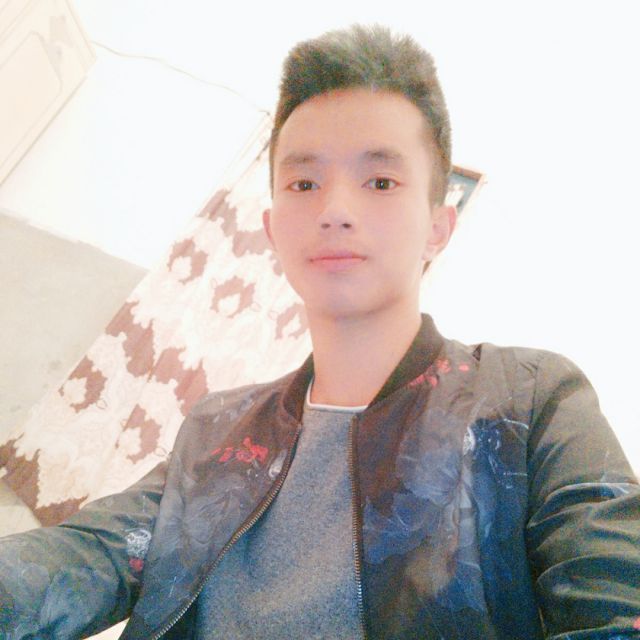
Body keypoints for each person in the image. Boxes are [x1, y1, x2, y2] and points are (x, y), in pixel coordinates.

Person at [1, 24, 639, 640]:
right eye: (304, 183)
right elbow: (92, 553)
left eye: (380, 181)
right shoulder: (217, 430)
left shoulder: (529, 400)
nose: (335, 210)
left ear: (438, 228)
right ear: (273, 229)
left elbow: (614, 597)